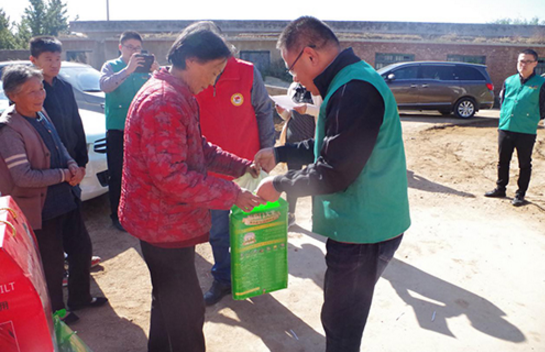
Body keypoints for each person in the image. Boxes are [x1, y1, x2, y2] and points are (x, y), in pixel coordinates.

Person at [254, 17, 411, 352]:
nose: (292, 78)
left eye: (291, 67)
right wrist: (279, 152)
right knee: (341, 318)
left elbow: (335, 170)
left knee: (342, 325)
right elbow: (328, 146)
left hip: (364, 231)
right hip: (364, 223)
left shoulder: (353, 90)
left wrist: (279, 185)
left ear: (310, 56)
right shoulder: (348, 80)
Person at [118, 25, 265, 352]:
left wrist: (240, 166)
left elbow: (198, 148)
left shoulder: (176, 94)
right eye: (213, 71)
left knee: (167, 298)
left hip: (166, 222)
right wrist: (234, 195)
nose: (213, 81)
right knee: (186, 310)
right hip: (162, 225)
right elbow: (171, 175)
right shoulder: (164, 102)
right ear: (192, 60)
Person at [0, 65, 107, 325]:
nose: (40, 96)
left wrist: (71, 165)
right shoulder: (9, 129)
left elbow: (58, 146)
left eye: (40, 89)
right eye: (31, 92)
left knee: (82, 249)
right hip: (41, 208)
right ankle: (56, 311)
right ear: (13, 96)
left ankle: (80, 297)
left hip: (65, 198)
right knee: (52, 263)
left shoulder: (40, 113)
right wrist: (63, 175)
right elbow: (23, 177)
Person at [194, 22, 275, 306]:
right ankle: (223, 278)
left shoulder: (247, 72)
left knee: (252, 225)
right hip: (213, 171)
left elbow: (265, 110)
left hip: (248, 169)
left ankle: (253, 274)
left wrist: (267, 149)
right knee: (217, 231)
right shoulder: (195, 78)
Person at [29, 35, 102, 277]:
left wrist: (81, 163)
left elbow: (76, 127)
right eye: (48, 59)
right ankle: (56, 268)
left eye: (58, 58)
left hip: (71, 166)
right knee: (52, 222)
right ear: (33, 60)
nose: (54, 63)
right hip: (47, 171)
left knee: (74, 217)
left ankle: (76, 259)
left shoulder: (65, 87)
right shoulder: (28, 92)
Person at [99, 30, 159, 231]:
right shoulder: (111, 66)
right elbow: (105, 86)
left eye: (138, 48)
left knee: (144, 172)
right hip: (118, 129)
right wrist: (127, 70)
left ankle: (141, 210)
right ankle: (117, 215)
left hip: (143, 130)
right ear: (120, 47)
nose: (135, 51)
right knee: (117, 173)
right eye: (130, 47)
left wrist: (157, 71)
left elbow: (160, 89)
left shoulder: (146, 70)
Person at [484, 48, 545, 206]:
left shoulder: (541, 83)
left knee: (524, 163)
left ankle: (520, 194)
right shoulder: (509, 80)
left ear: (535, 64)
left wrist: (532, 119)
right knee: (502, 160)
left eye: (527, 61)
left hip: (526, 130)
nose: (523, 64)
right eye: (520, 61)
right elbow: (503, 101)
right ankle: (500, 188)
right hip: (506, 127)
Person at [275, 81, 322, 226]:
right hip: (293, 138)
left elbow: (324, 111)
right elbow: (289, 115)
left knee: (314, 178)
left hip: (312, 140)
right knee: (292, 177)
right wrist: (281, 111)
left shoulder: (317, 87)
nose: (295, 76)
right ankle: (291, 214)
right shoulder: (293, 87)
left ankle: (316, 216)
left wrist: (306, 108)